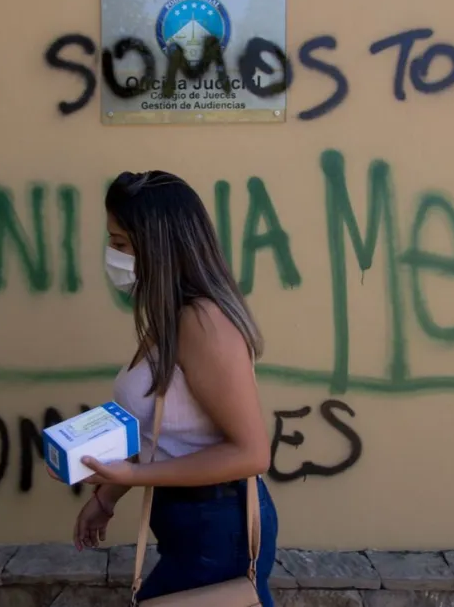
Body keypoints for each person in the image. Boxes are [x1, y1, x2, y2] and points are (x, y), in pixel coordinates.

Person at [51, 170, 278, 605]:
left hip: (216, 528)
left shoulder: (204, 323)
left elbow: (251, 454)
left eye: (121, 243)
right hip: (187, 522)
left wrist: (133, 476)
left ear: (157, 246)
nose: (113, 255)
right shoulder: (169, 316)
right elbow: (162, 433)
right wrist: (107, 495)